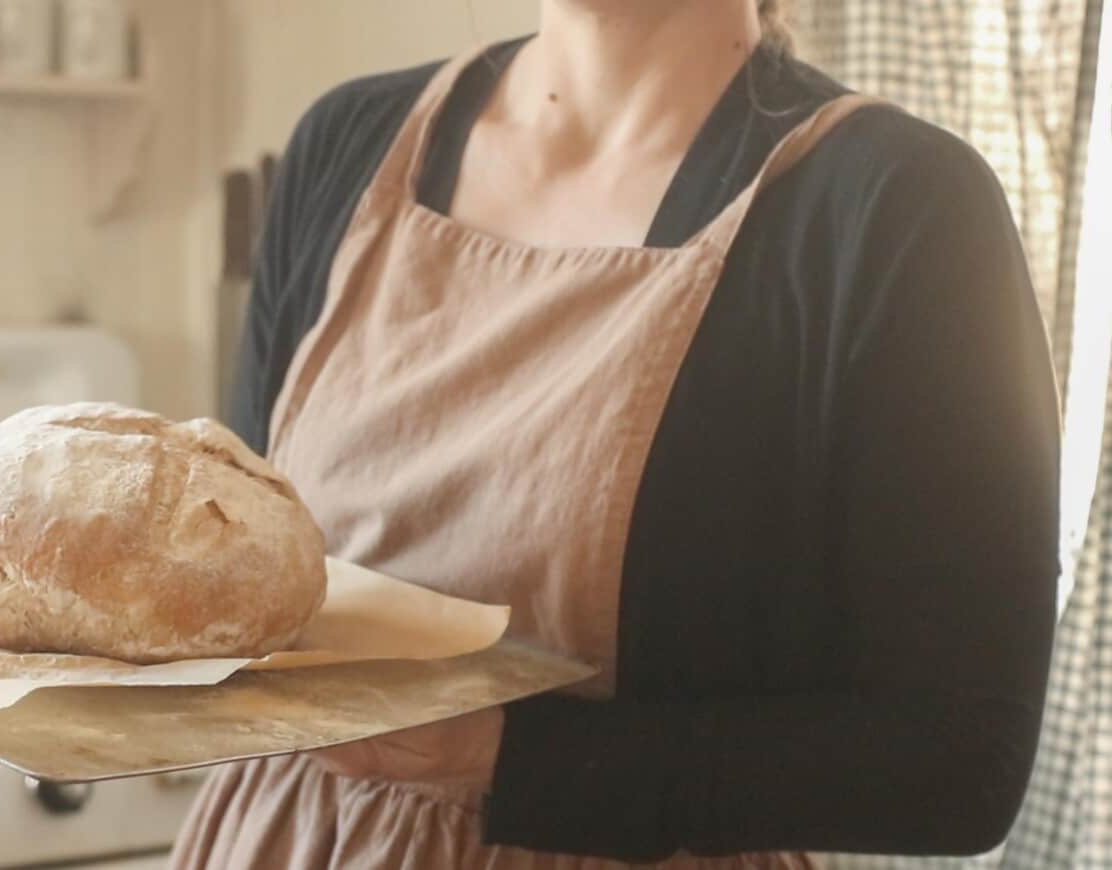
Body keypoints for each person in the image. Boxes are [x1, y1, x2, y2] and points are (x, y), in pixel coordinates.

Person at [174, 0, 1061, 866]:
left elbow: (959, 764)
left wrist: (502, 755)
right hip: (277, 838)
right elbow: (246, 572)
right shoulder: (348, 141)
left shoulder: (897, 206)